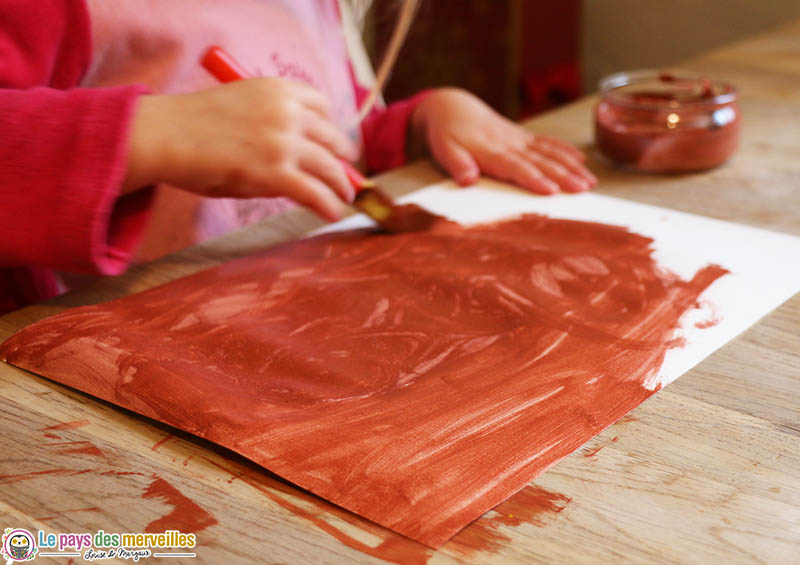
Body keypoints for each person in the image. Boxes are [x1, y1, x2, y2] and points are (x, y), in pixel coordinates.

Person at [0, 0, 597, 316]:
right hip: (107, 371)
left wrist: (419, 123)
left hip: (309, 309)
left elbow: (330, 134)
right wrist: (145, 135)